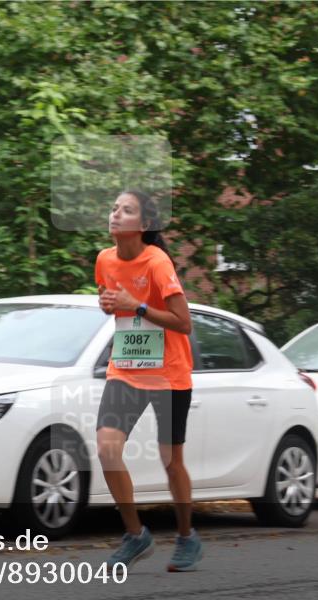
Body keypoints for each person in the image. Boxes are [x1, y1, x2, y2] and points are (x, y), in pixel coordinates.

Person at [94, 190, 202, 572]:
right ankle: (136, 534)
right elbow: (110, 302)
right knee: (108, 449)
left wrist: (136, 305)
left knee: (171, 461)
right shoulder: (105, 259)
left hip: (168, 371)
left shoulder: (157, 263)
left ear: (143, 225)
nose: (115, 214)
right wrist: (110, 304)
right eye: (114, 207)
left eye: (126, 210)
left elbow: (184, 323)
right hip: (126, 367)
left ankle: (188, 537)